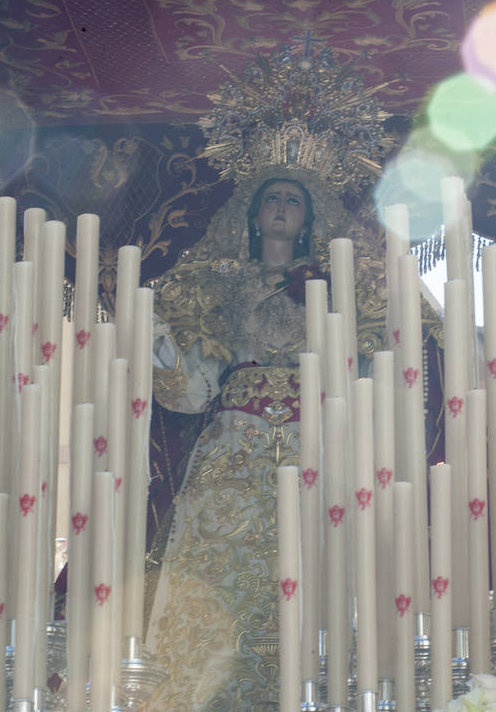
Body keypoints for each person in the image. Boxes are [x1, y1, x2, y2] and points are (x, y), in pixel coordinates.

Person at [144, 171, 343, 711]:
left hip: (314, 446)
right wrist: (158, 345)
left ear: (307, 221)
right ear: (253, 217)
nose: (281, 208)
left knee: (315, 565)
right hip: (235, 450)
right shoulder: (221, 285)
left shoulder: (338, 286)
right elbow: (192, 392)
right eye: (271, 199)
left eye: (293, 201)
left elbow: (355, 370)